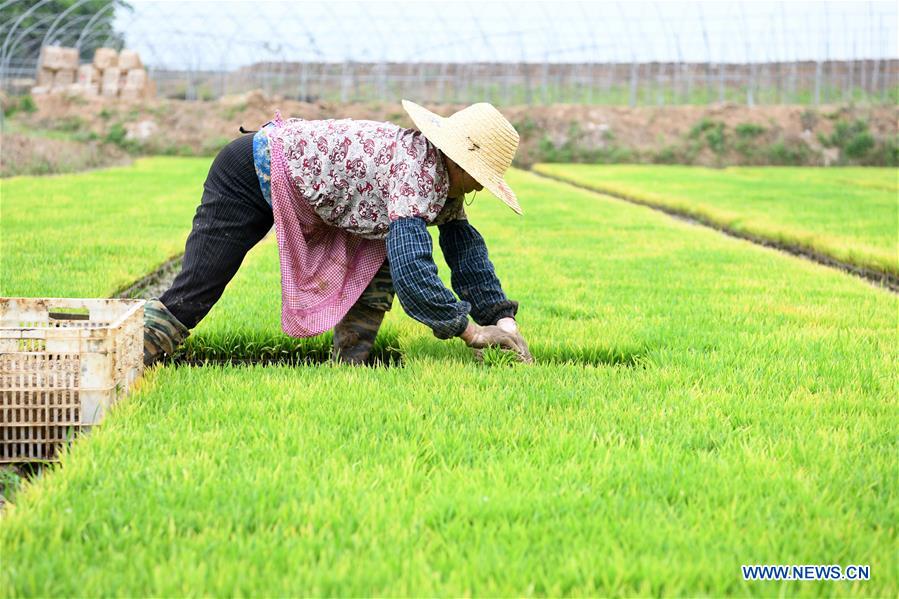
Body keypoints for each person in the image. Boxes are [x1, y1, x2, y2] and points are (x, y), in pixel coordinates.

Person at [144, 99, 532, 366]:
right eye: (479, 177)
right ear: (457, 159)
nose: (480, 188)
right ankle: (129, 356)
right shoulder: (417, 175)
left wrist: (501, 320)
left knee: (378, 265)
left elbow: (466, 254)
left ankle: (350, 371)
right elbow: (414, 273)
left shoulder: (441, 179)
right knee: (196, 292)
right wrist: (470, 333)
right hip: (251, 169)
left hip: (312, 189)